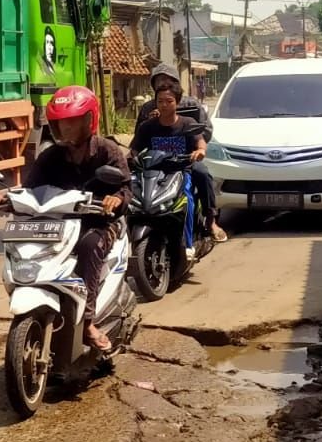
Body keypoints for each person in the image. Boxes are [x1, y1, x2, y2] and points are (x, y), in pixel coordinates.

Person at [25, 86, 130, 353]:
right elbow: (30, 188)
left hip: (100, 223)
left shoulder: (107, 150)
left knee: (88, 248)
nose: (66, 128)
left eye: (71, 122)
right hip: (59, 224)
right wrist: (6, 199)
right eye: (61, 123)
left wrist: (116, 199)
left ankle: (87, 322)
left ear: (88, 121)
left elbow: (127, 187)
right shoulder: (50, 156)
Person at [135, 63, 226, 242]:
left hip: (185, 160)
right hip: (156, 163)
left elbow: (203, 131)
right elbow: (138, 139)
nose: (164, 104)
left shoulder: (190, 107)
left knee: (202, 173)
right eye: (159, 81)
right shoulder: (147, 109)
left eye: (168, 81)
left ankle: (210, 219)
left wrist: (198, 149)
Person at [131, 85, 208, 259]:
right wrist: (132, 158)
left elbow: (200, 142)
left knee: (186, 200)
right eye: (160, 101)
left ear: (177, 102)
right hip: (152, 174)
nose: (164, 105)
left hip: (180, 172)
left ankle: (188, 244)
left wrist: (200, 151)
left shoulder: (187, 124)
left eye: (169, 101)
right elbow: (135, 149)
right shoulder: (147, 127)